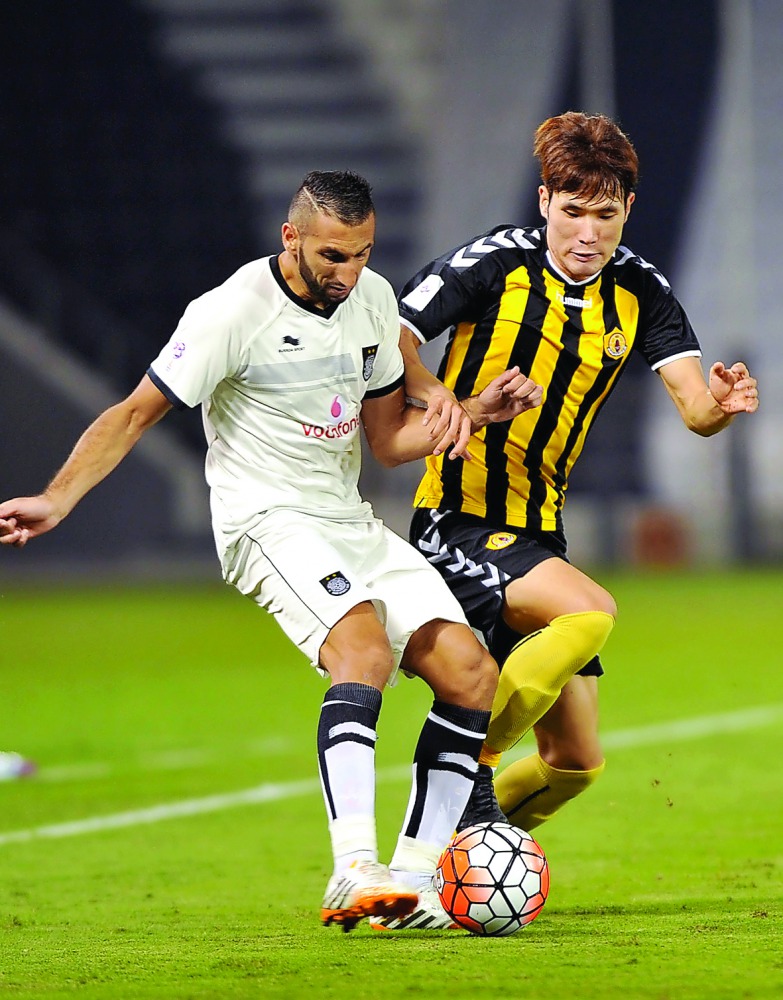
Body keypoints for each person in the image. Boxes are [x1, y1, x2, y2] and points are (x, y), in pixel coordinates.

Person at [0, 170, 542, 932]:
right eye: (331, 256)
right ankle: (354, 869)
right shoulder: (231, 311)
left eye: (360, 255)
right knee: (362, 652)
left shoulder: (372, 300)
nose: (347, 273)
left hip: (344, 517)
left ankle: (411, 886)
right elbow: (132, 414)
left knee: (469, 669)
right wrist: (57, 498)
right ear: (290, 238)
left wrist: (474, 414)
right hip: (266, 519)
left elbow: (388, 444)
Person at [397, 112, 760, 844]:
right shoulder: (492, 264)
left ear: (627, 210)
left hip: (538, 532)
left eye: (603, 213)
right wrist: (438, 396)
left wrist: (720, 407)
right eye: (571, 212)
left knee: (572, 765)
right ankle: (465, 768)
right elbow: (390, 332)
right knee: (589, 611)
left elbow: (693, 406)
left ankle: (449, 857)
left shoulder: (641, 291)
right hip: (457, 519)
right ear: (543, 203)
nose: (586, 233)